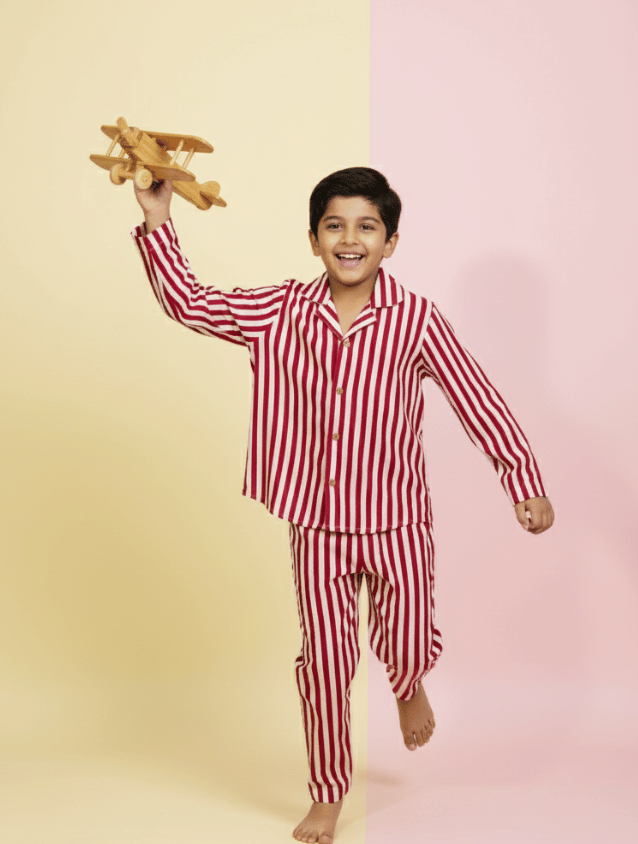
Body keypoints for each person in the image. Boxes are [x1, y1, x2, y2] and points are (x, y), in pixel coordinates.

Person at [130, 167, 554, 844]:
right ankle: (327, 792)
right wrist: (157, 221)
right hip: (317, 525)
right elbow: (191, 304)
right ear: (312, 239)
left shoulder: (416, 319)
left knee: (406, 631)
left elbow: (475, 397)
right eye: (334, 225)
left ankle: (407, 678)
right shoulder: (281, 311)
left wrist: (521, 478)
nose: (349, 238)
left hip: (396, 520)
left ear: (390, 242)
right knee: (324, 661)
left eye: (366, 226)